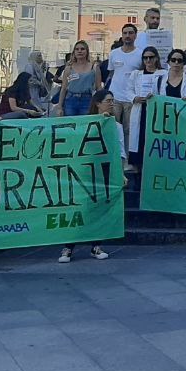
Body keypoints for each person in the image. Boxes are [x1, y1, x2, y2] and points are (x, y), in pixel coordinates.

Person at [59, 89, 125, 264]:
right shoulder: (84, 123)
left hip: (104, 173)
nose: (111, 104)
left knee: (100, 210)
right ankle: (68, 247)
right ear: (98, 103)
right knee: (79, 209)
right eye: (108, 101)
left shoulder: (115, 126)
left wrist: (121, 172)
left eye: (113, 100)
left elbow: (120, 152)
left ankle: (96, 246)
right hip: (84, 172)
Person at [126, 47, 163, 173]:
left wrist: (155, 97)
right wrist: (135, 98)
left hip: (155, 111)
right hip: (140, 109)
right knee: (139, 139)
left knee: (152, 139)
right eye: (145, 58)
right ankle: (137, 170)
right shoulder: (136, 74)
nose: (148, 60)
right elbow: (128, 90)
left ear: (156, 58)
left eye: (151, 57)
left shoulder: (163, 74)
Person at [107, 23, 144, 138]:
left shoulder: (141, 54)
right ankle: (116, 155)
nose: (127, 35)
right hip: (115, 97)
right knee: (114, 128)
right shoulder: (113, 54)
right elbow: (111, 73)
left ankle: (128, 155)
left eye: (130, 33)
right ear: (122, 35)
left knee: (129, 130)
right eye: (125, 33)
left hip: (131, 98)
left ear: (135, 36)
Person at [58, 40, 102, 117]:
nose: (80, 51)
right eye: (77, 49)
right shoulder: (69, 68)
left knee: (85, 124)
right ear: (74, 52)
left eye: (82, 49)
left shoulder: (94, 67)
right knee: (70, 125)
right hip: (70, 100)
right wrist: (59, 107)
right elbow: (64, 88)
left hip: (87, 100)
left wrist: (101, 104)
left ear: (87, 51)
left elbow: (99, 87)